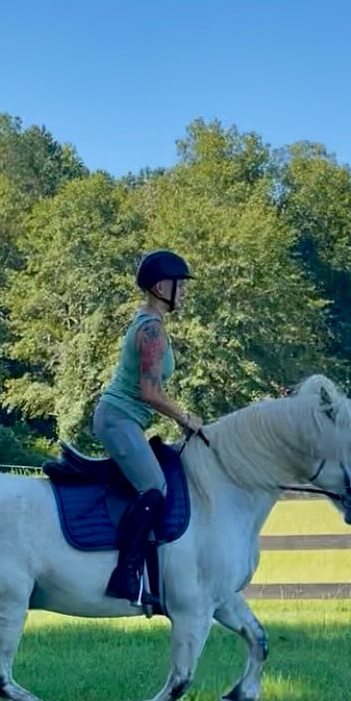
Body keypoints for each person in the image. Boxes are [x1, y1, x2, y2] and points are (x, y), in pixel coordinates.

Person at [92, 249, 205, 605]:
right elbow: (151, 392)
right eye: (179, 286)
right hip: (117, 418)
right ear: (160, 287)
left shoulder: (153, 324)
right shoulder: (152, 329)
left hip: (126, 419)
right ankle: (125, 576)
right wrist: (186, 419)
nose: (183, 292)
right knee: (154, 486)